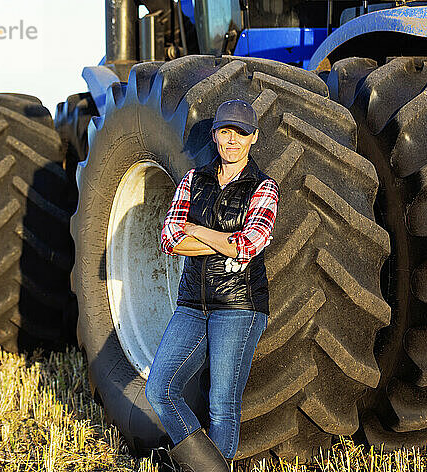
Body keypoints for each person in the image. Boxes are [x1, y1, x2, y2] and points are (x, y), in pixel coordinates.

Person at [145, 99, 279, 472]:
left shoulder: (264, 187)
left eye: (240, 132)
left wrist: (198, 230)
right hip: (192, 304)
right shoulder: (192, 180)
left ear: (253, 137)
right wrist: (224, 240)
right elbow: (169, 240)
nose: (232, 140)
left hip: (239, 308)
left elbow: (249, 244)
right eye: (225, 131)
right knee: (159, 390)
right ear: (215, 135)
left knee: (222, 406)